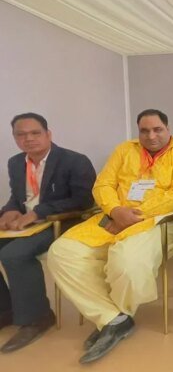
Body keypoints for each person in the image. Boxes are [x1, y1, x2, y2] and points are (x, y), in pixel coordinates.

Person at [47, 109, 173, 364]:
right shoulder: (124, 150)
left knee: (127, 262)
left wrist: (132, 216)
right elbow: (103, 185)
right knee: (61, 253)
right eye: (144, 131)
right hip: (112, 217)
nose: (151, 136)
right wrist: (116, 211)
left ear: (168, 129)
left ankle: (114, 317)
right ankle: (113, 318)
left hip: (159, 221)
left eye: (157, 129)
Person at [0, 112, 95, 353]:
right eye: (21, 135)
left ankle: (38, 318)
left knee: (14, 254)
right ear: (15, 138)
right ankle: (6, 310)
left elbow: (84, 200)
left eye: (35, 133)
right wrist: (10, 211)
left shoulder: (74, 160)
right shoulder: (15, 162)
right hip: (27, 222)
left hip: (61, 222)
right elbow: (18, 198)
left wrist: (39, 212)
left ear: (48, 134)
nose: (28, 139)